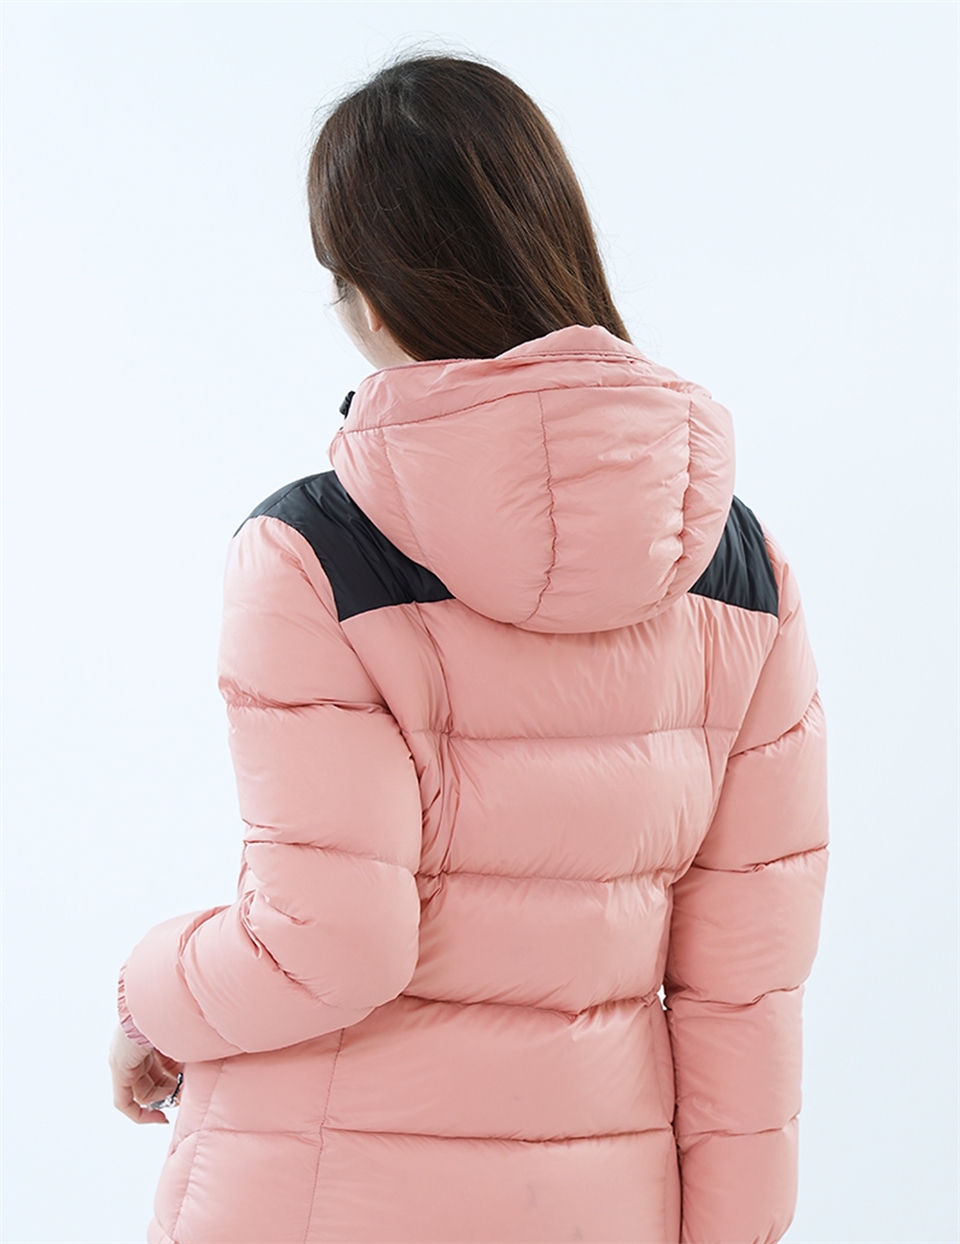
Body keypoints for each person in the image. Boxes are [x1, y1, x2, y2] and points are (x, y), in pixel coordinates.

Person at [110, 54, 828, 1244]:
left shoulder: (316, 552)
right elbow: (744, 993)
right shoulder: (740, 567)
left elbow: (331, 942)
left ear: (371, 294)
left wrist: (151, 992)